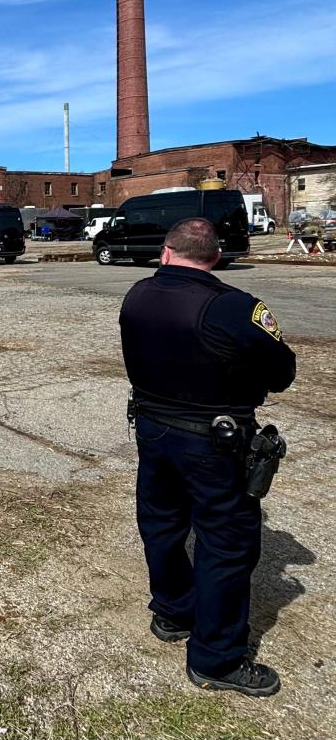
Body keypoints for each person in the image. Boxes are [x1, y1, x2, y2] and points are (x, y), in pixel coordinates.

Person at [119, 218, 296, 698]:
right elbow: (282, 372)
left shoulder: (137, 294)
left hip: (153, 430)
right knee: (226, 541)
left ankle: (173, 611)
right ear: (216, 257)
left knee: (161, 521)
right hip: (212, 441)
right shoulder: (236, 307)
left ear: (166, 252)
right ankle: (215, 659)